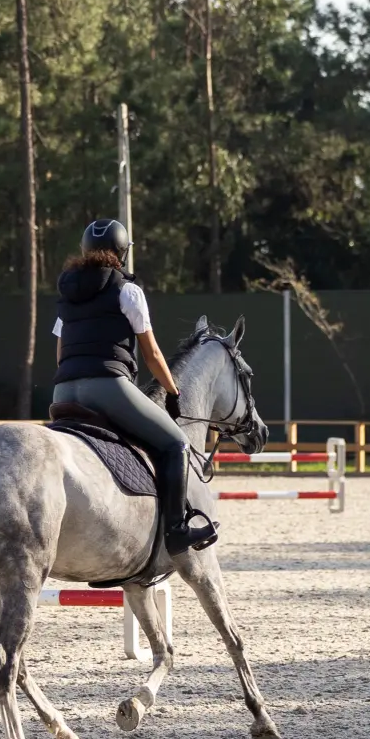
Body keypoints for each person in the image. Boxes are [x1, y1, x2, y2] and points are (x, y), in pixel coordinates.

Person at [51, 219, 217, 555]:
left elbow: (59, 353)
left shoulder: (67, 295)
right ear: (122, 252)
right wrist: (174, 393)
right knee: (176, 444)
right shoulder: (127, 291)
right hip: (109, 388)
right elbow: (153, 354)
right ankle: (176, 530)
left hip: (63, 392)